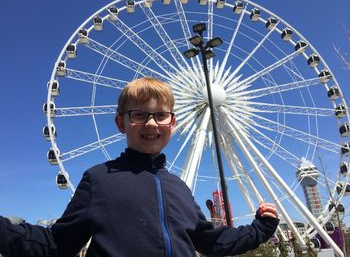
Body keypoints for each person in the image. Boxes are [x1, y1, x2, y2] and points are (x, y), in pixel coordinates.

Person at [0, 77, 279, 257]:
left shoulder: (179, 188)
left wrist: (260, 229)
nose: (151, 123)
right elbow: (57, 245)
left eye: (160, 115)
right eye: (139, 115)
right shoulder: (99, 180)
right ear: (121, 123)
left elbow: (211, 242)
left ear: (173, 123)